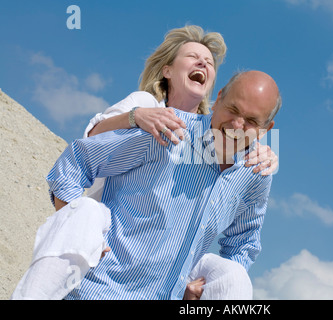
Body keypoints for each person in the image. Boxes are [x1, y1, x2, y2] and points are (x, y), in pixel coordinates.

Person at [11, 26, 278, 300]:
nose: (236, 125)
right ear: (219, 97)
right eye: (233, 110)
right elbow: (81, 153)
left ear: (266, 128)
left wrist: (193, 284)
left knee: (233, 276)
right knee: (86, 211)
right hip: (101, 279)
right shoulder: (159, 119)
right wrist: (83, 235)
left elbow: (244, 241)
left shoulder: (256, 168)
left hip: (166, 284)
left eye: (251, 121)